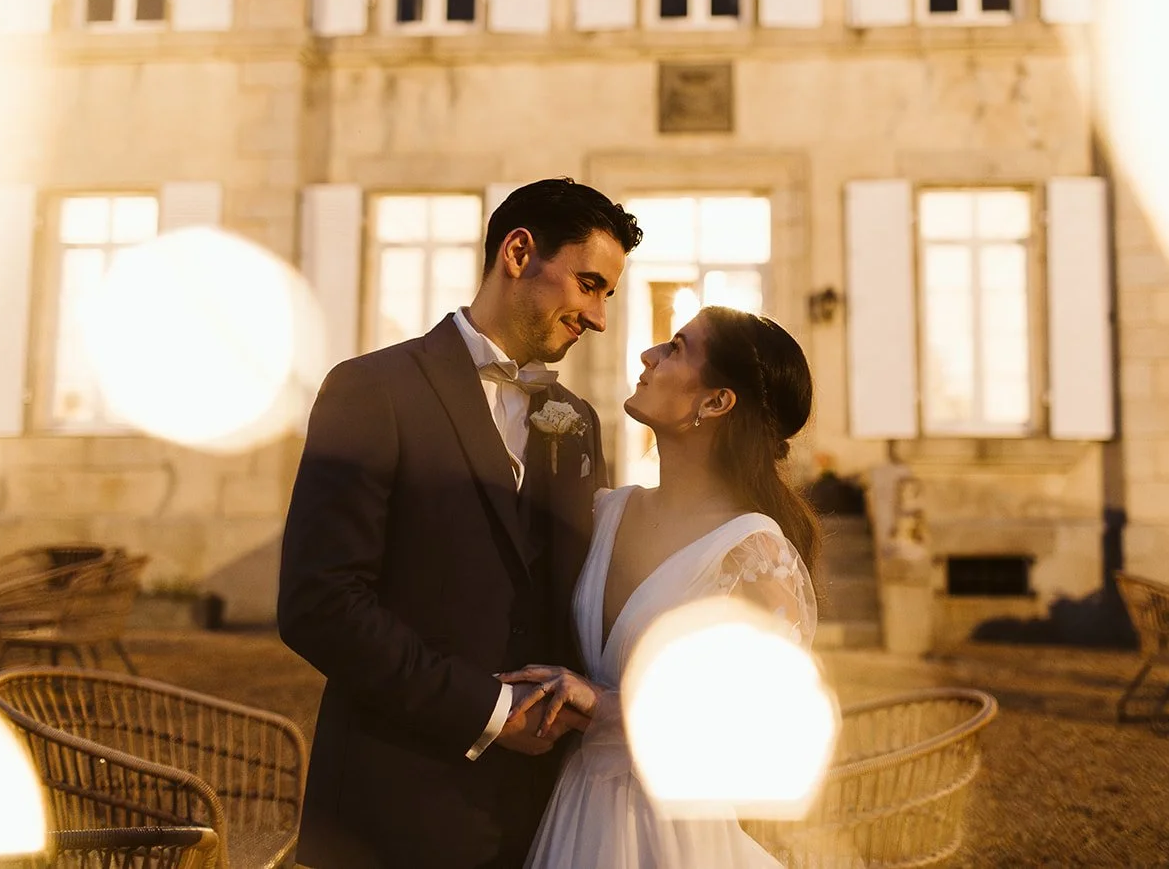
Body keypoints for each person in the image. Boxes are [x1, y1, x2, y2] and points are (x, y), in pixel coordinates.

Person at [276, 178, 643, 868]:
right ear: (518, 251)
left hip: (539, 816)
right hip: (391, 809)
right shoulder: (371, 390)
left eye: (608, 295)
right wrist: (490, 708)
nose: (597, 316)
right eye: (588, 283)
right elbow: (317, 603)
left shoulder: (578, 422)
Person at [501, 305, 821, 869]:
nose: (648, 356)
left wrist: (604, 705)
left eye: (675, 347)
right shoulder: (605, 511)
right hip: (574, 811)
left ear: (716, 402)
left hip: (672, 836)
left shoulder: (752, 553)